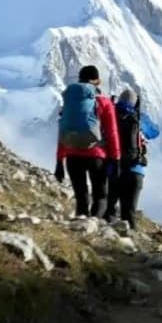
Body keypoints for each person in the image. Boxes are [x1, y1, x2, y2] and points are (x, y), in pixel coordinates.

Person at [54, 65, 120, 218]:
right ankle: (94, 228)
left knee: (81, 197)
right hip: (96, 155)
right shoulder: (103, 102)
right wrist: (116, 159)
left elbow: (63, 129)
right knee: (100, 196)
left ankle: (80, 231)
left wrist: (59, 160)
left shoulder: (70, 101)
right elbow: (112, 132)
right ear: (97, 81)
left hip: (72, 155)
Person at [107, 88, 153, 229]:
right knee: (129, 212)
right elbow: (155, 131)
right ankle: (131, 245)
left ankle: (109, 239)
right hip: (135, 171)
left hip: (113, 169)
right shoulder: (138, 118)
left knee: (108, 209)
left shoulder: (111, 115)